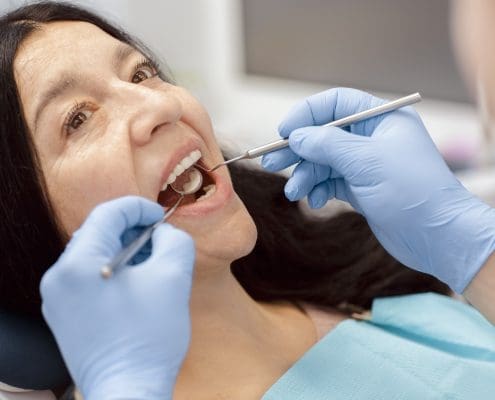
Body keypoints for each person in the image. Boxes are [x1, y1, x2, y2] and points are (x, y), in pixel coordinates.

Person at [1, 1, 494, 400]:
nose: (162, 103)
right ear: (20, 229)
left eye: (140, 74)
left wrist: (473, 250)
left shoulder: (360, 289)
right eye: (78, 119)